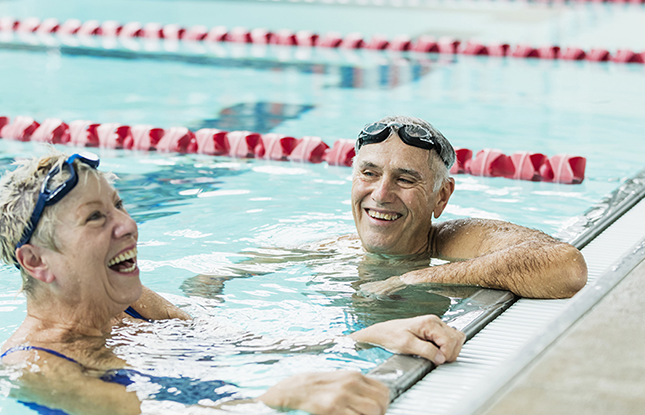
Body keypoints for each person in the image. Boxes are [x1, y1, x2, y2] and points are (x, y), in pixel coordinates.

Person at [0, 151, 465, 415]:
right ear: (36, 262)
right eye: (95, 217)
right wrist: (274, 401)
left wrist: (367, 337)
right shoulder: (30, 365)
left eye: (119, 206)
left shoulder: (129, 302)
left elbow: (233, 339)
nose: (128, 225)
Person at [182, 116, 587, 303]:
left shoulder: (455, 241)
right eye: (369, 173)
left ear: (441, 197)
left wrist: (413, 280)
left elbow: (566, 267)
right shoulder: (336, 248)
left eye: (406, 179)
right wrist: (204, 299)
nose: (381, 193)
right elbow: (215, 272)